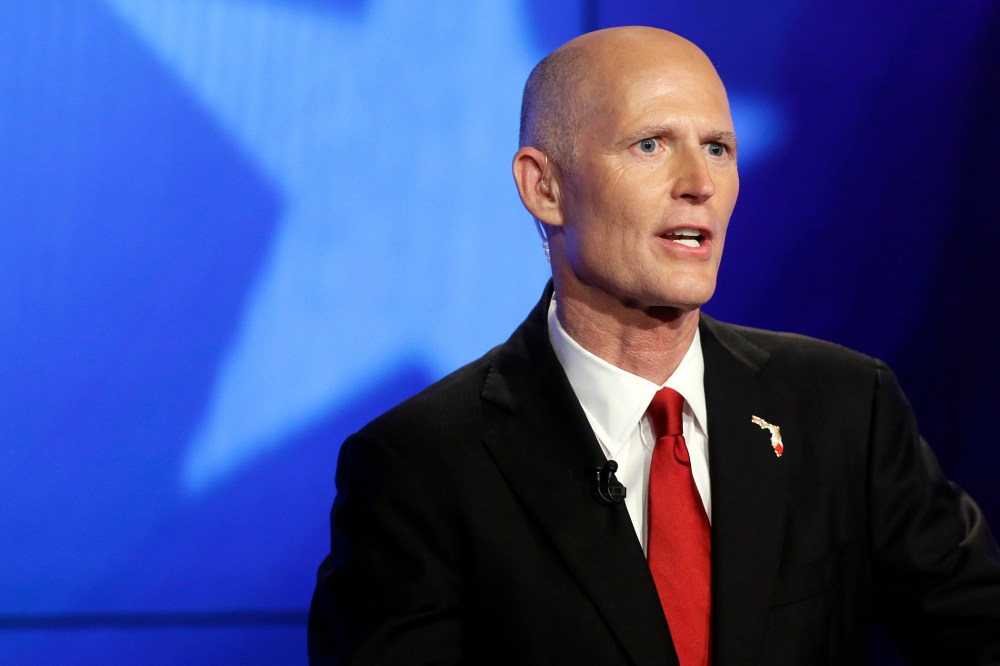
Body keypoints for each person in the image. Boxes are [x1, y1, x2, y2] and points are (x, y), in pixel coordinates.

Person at [308, 26, 1000, 665]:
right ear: (544, 186)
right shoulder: (419, 468)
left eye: (719, 149)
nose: (699, 185)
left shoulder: (844, 411)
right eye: (650, 144)